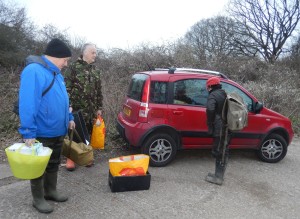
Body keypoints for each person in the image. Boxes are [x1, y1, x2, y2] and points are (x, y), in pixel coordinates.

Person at [18, 38, 75, 213]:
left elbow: (64, 100)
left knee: (54, 163)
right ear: (55, 56)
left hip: (58, 130)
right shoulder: (33, 71)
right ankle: (38, 199)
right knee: (38, 167)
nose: (66, 64)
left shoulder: (56, 74)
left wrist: (70, 117)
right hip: (41, 131)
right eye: (65, 60)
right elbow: (28, 103)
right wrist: (28, 131)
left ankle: (50, 191)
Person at [64, 43, 103, 170]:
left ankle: (86, 157)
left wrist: (99, 108)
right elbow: (66, 89)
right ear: (85, 53)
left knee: (88, 135)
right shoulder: (73, 67)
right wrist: (68, 106)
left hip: (90, 110)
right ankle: (71, 159)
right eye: (93, 52)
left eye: (95, 53)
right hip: (75, 110)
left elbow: (98, 91)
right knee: (73, 134)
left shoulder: (95, 70)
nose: (95, 55)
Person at [205, 76, 229, 185]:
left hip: (219, 127)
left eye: (208, 87)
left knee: (219, 150)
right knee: (223, 149)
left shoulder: (213, 95)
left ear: (210, 86)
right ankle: (217, 174)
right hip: (226, 127)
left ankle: (218, 177)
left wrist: (210, 124)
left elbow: (210, 109)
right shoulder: (223, 93)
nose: (207, 89)